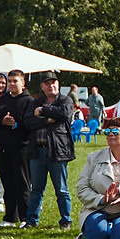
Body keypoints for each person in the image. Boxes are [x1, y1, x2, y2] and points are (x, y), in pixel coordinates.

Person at [20, 72, 78, 230]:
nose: (51, 85)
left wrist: (43, 111)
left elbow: (64, 113)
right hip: (37, 152)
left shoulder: (65, 100)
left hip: (58, 151)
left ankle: (66, 220)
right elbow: (28, 121)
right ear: (42, 86)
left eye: (54, 82)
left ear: (58, 84)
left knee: (61, 189)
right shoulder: (35, 102)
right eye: (47, 83)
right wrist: (48, 119)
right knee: (36, 189)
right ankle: (31, 220)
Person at [0, 72, 30, 224]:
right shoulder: (2, 101)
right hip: (2, 147)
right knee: (7, 183)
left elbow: (31, 125)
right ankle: (10, 217)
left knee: (22, 183)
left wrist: (16, 124)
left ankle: (25, 217)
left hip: (21, 148)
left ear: (22, 82)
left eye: (15, 81)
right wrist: (3, 122)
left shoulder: (28, 101)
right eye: (10, 81)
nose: (12, 84)